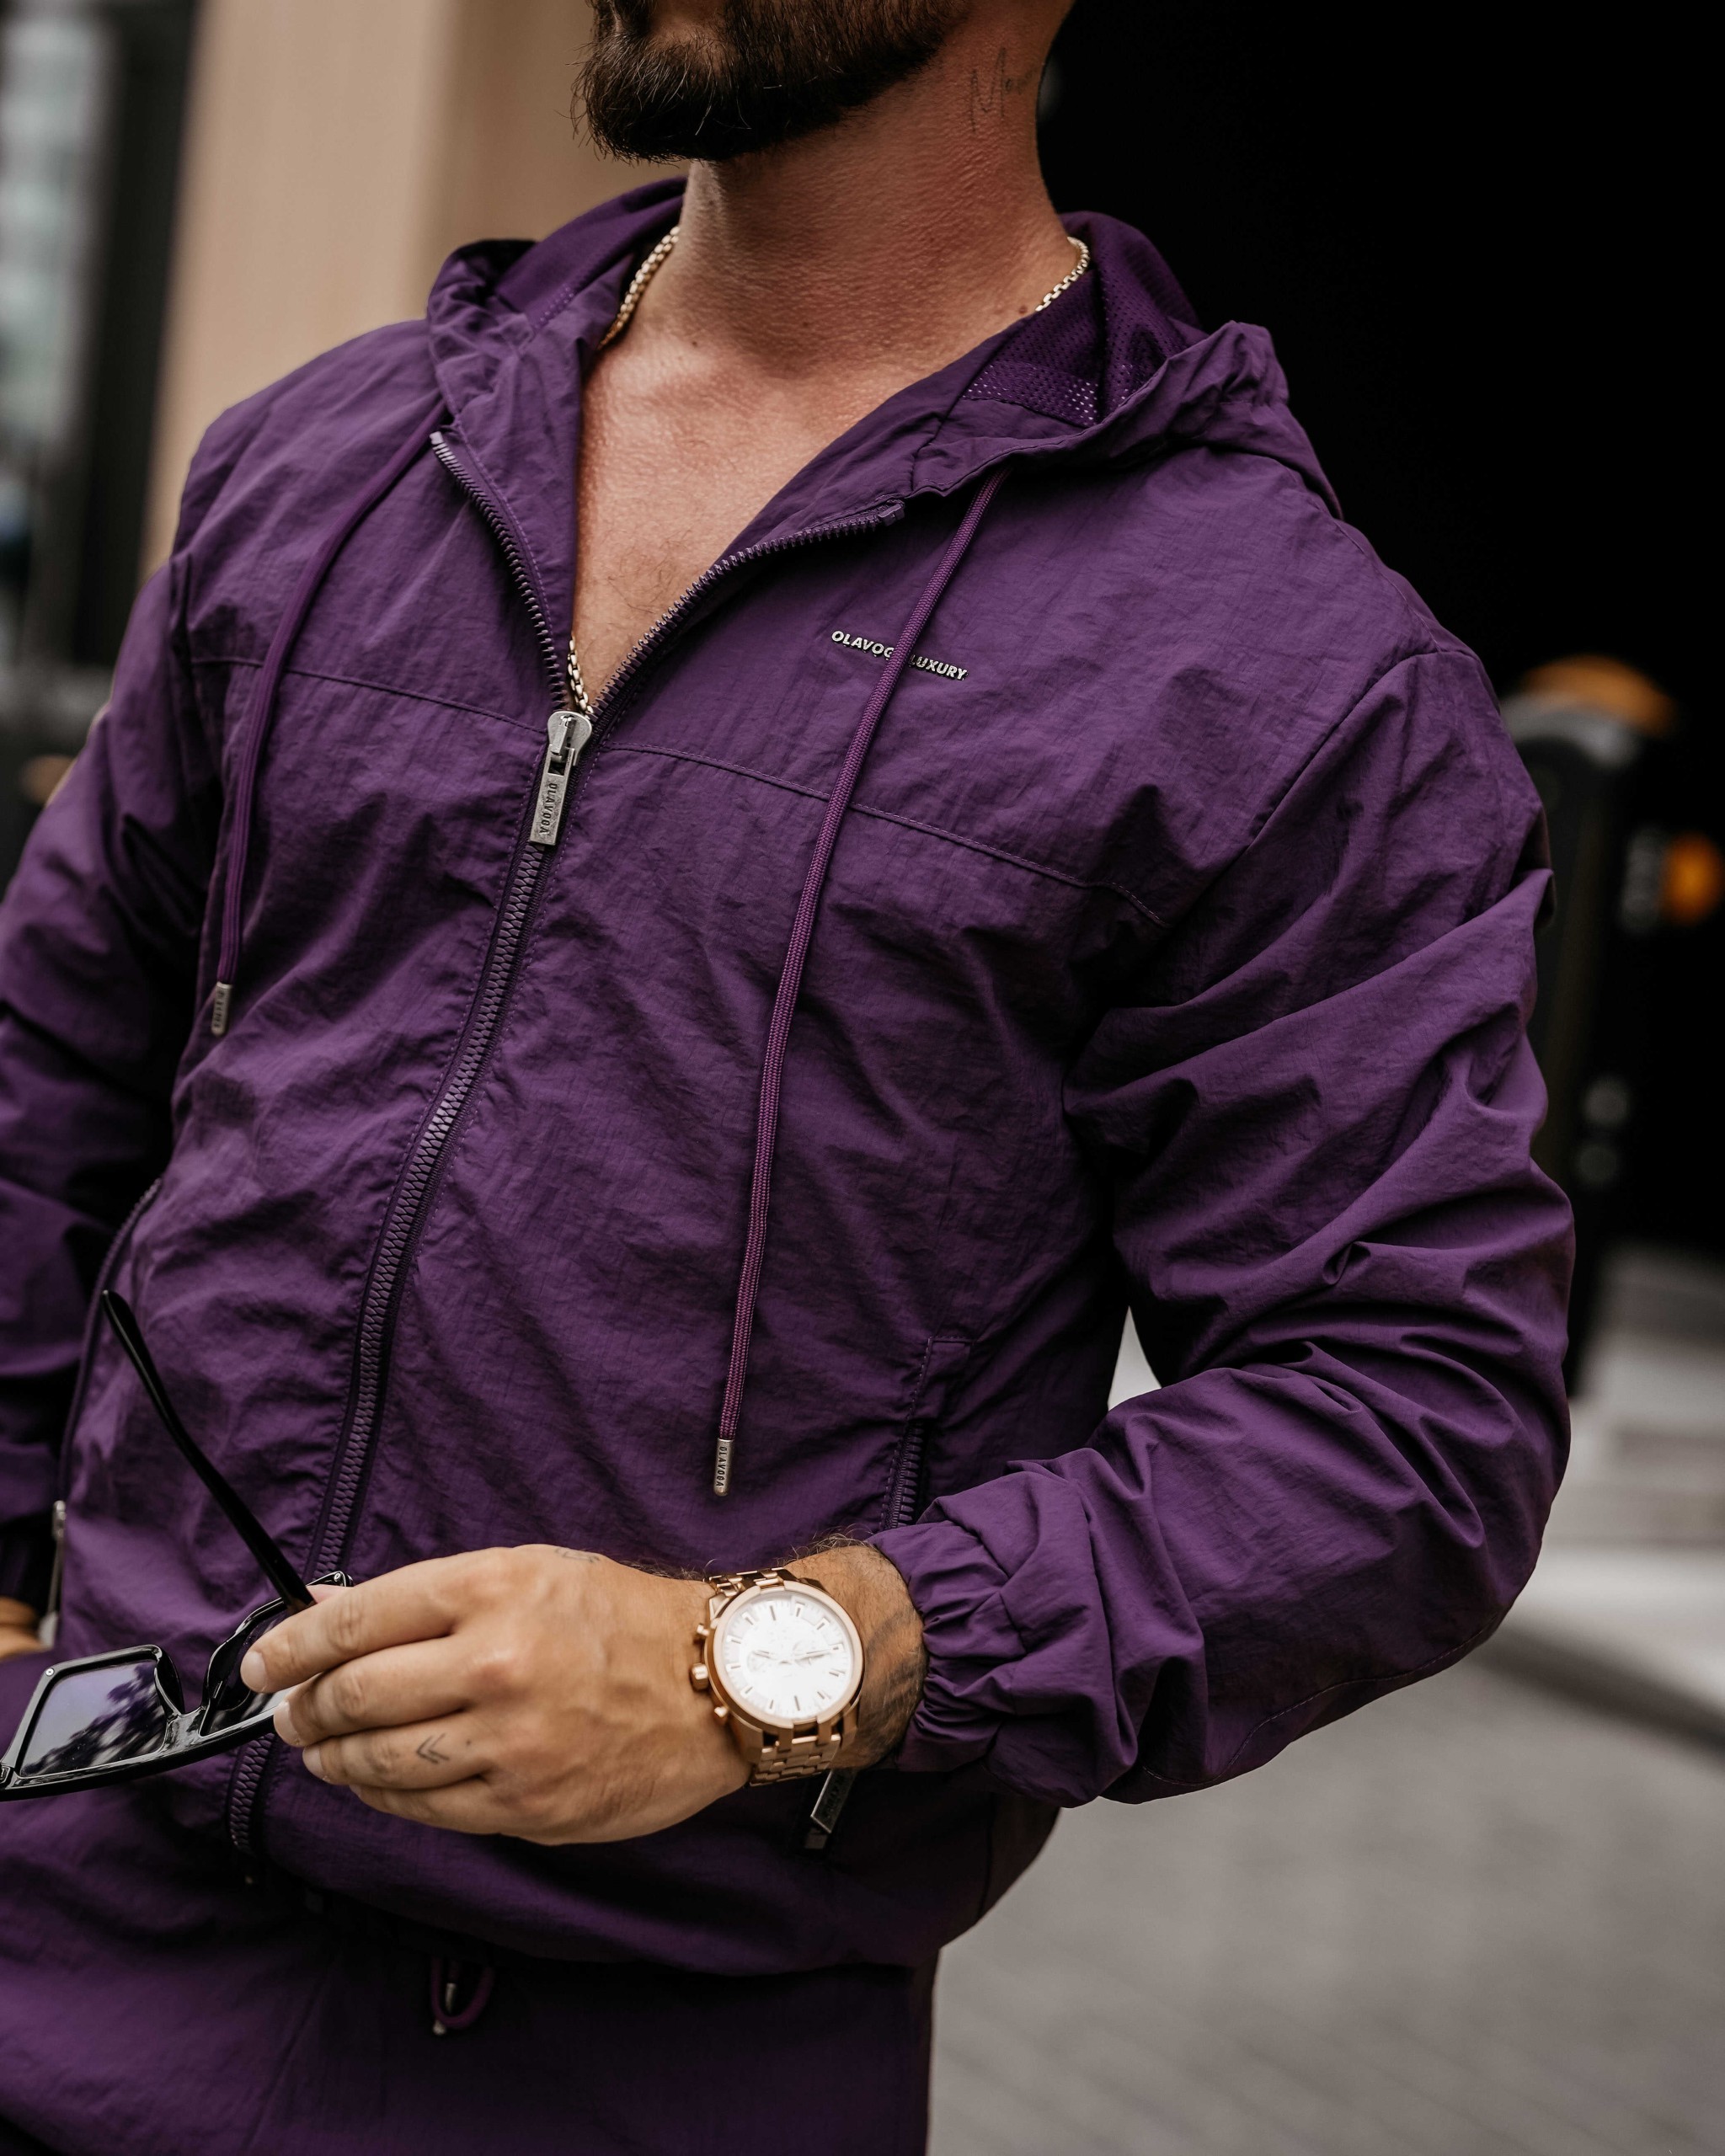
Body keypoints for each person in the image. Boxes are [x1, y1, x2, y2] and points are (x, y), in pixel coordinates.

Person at [0, 1, 1571, 2148]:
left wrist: (752, 1666)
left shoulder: (1277, 670)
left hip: (656, 2064)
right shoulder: (332, 461)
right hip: (67, 1925)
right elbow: (52, 1071)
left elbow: (1405, 1416)